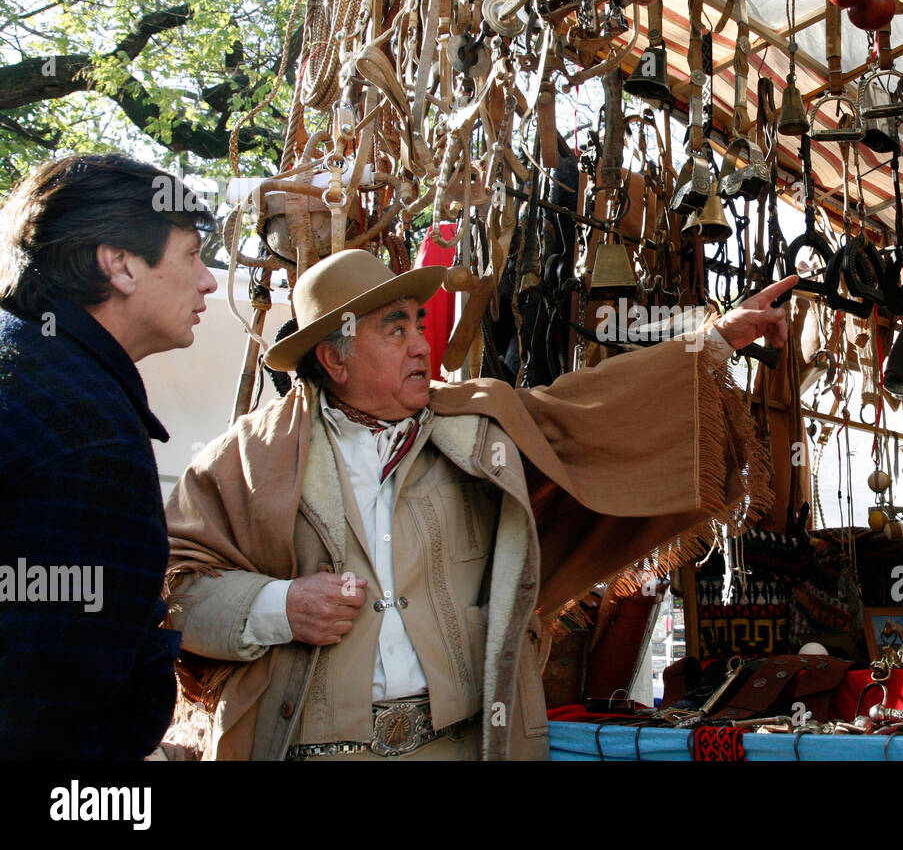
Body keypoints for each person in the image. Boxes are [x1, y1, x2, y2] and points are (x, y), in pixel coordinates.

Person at [166, 249, 794, 760]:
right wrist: (280, 606)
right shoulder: (247, 461)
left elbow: (587, 407)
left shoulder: (474, 427)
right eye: (396, 329)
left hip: (461, 748)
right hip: (307, 748)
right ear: (334, 357)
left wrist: (714, 340)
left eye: (419, 322)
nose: (422, 344)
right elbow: (173, 589)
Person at [0, 153, 218, 758]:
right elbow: (54, 705)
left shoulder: (28, 363)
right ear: (120, 263)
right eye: (192, 254)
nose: (209, 281)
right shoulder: (85, 431)